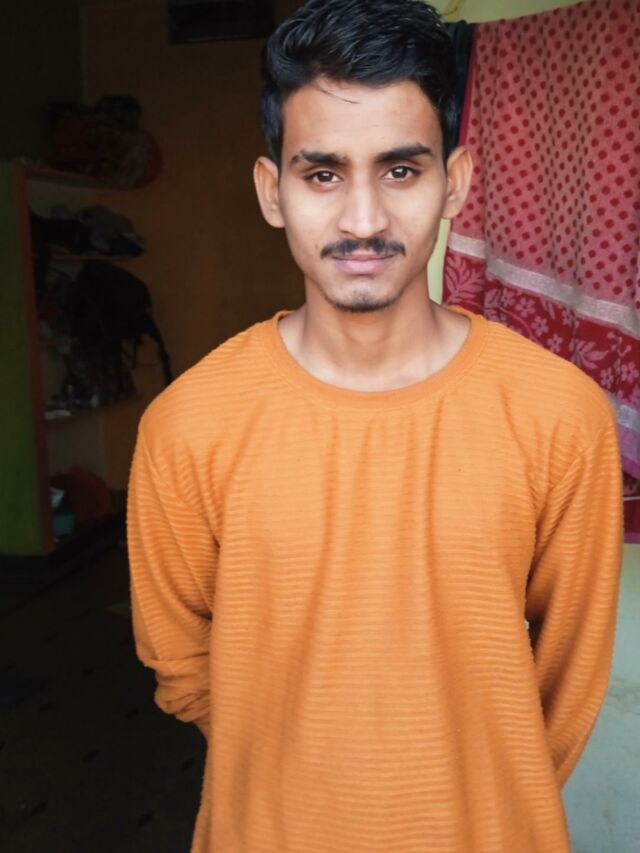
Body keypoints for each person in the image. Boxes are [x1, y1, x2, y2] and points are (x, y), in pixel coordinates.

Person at [126, 1, 624, 850]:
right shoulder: (188, 425)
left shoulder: (559, 414)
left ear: (455, 183)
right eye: (322, 174)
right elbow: (182, 666)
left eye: (399, 170)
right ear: (272, 192)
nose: (362, 220)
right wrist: (302, 776)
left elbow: (568, 682)